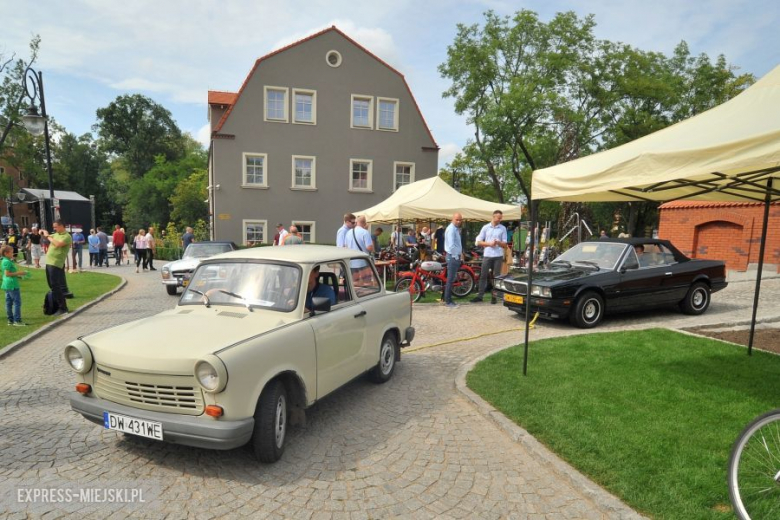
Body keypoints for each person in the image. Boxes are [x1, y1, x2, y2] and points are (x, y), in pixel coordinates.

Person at [471, 210, 508, 304]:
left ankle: (494, 297)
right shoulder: (486, 227)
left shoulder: (502, 228)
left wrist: (498, 242)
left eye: (501, 218)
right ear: (493, 216)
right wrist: (489, 244)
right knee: (483, 275)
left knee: (496, 277)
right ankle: (480, 296)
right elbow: (478, 241)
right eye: (498, 218)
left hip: (498, 255)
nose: (500, 219)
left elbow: (505, 244)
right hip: (487, 255)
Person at [42, 219, 72, 316]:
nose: (54, 229)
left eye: (56, 227)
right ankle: (57, 305)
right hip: (49, 263)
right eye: (54, 227)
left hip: (56, 263)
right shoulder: (55, 235)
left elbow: (58, 244)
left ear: (62, 226)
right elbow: (48, 237)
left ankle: (63, 308)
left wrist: (47, 236)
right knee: (52, 286)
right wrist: (43, 232)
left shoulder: (67, 236)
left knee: (55, 286)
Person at [2, 244, 28, 326]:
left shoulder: (6, 260)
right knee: (17, 302)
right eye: (11, 252)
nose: (13, 254)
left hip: (7, 284)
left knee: (8, 303)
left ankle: (10, 320)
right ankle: (17, 320)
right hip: (12, 284)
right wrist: (20, 273)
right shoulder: (6, 261)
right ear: (6, 253)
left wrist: (19, 275)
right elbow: (7, 274)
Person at [444, 213, 464, 308]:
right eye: (457, 219)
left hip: (454, 256)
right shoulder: (451, 229)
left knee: (450, 279)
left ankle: (446, 298)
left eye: (460, 220)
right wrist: (457, 256)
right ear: (452, 219)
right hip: (453, 256)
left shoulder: (455, 229)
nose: (459, 221)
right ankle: (448, 301)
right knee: (450, 280)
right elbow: (451, 246)